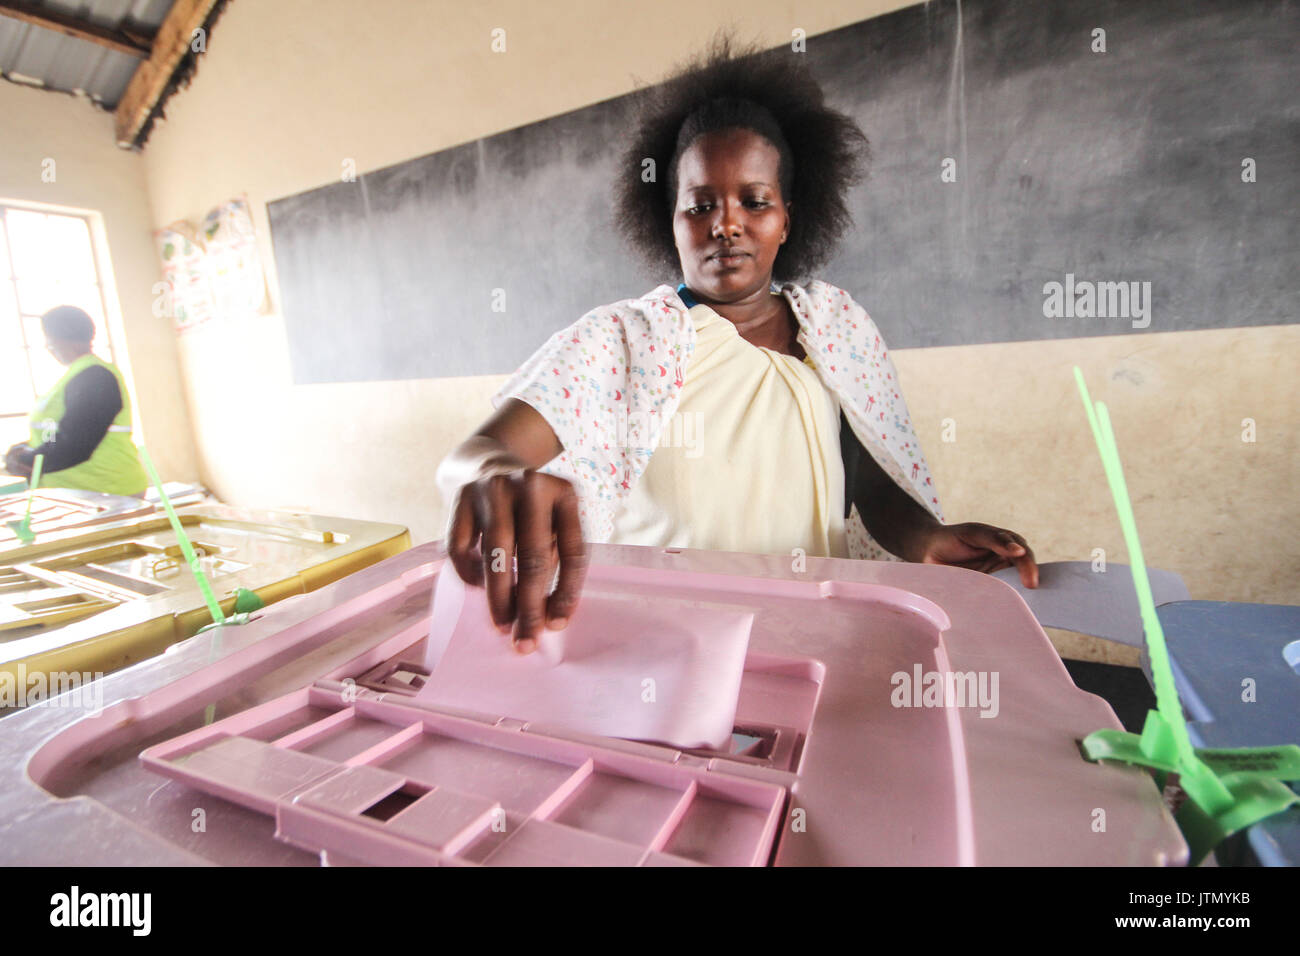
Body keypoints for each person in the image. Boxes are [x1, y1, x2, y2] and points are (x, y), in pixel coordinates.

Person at [437, 34, 1038, 654]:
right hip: (664, 650)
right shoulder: (624, 340)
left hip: (815, 643)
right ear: (668, 221)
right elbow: (478, 452)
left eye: (754, 201)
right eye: (699, 206)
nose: (726, 223)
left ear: (787, 219)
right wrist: (492, 478)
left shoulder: (835, 330)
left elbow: (866, 481)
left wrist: (923, 537)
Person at [4, 305, 148, 496]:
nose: (47, 346)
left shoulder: (94, 377)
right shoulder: (77, 375)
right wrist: (26, 449)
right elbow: (57, 432)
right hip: (81, 490)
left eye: (48, 338)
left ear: (59, 338)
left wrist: (27, 459)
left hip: (104, 490)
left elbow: (76, 441)